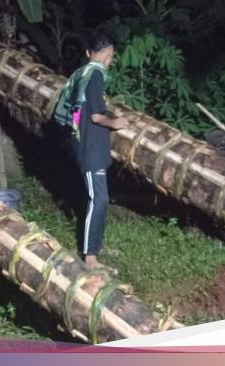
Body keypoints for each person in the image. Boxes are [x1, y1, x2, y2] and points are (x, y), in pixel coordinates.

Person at [71, 31, 130, 271]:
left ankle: (94, 248)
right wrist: (115, 123)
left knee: (100, 198)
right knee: (100, 199)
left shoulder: (81, 73)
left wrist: (112, 116)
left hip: (86, 143)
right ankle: (90, 257)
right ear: (107, 55)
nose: (111, 61)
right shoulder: (95, 74)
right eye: (111, 56)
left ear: (88, 53)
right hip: (91, 147)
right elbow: (95, 116)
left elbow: (86, 110)